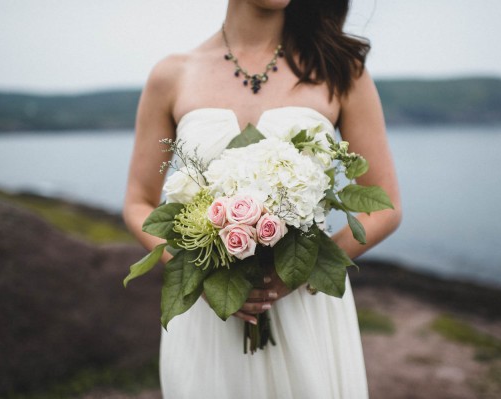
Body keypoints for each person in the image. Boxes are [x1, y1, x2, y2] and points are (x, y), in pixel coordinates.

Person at [123, 0, 402, 397]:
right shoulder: (172, 75)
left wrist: (300, 270)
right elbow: (138, 202)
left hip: (304, 308)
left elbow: (386, 206)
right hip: (209, 316)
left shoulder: (341, 69)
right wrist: (199, 277)